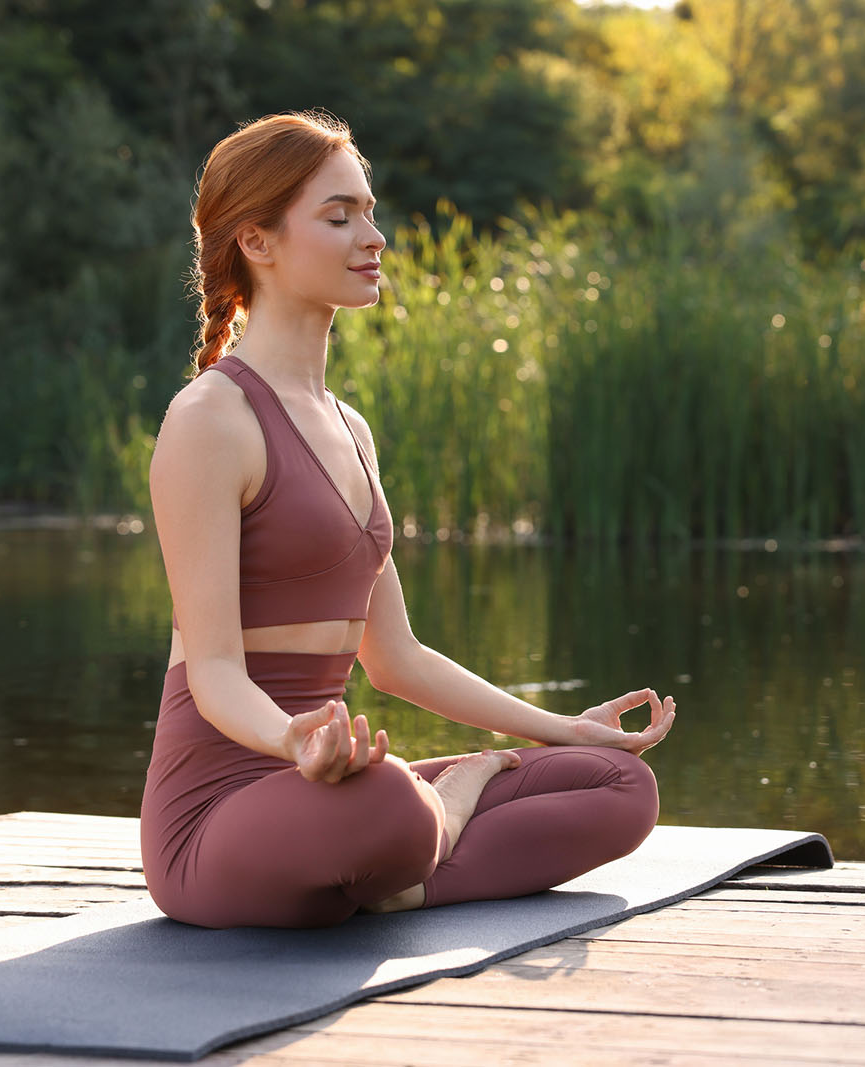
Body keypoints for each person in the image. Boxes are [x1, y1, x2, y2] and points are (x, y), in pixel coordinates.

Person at [139, 111, 677, 929]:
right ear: (258, 241)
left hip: (330, 788)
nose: (374, 235)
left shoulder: (351, 428)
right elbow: (212, 673)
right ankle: (440, 813)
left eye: (369, 210)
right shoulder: (211, 419)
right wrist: (296, 745)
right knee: (390, 797)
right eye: (340, 216)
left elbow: (397, 659)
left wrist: (564, 728)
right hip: (219, 813)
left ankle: (398, 877)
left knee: (619, 785)